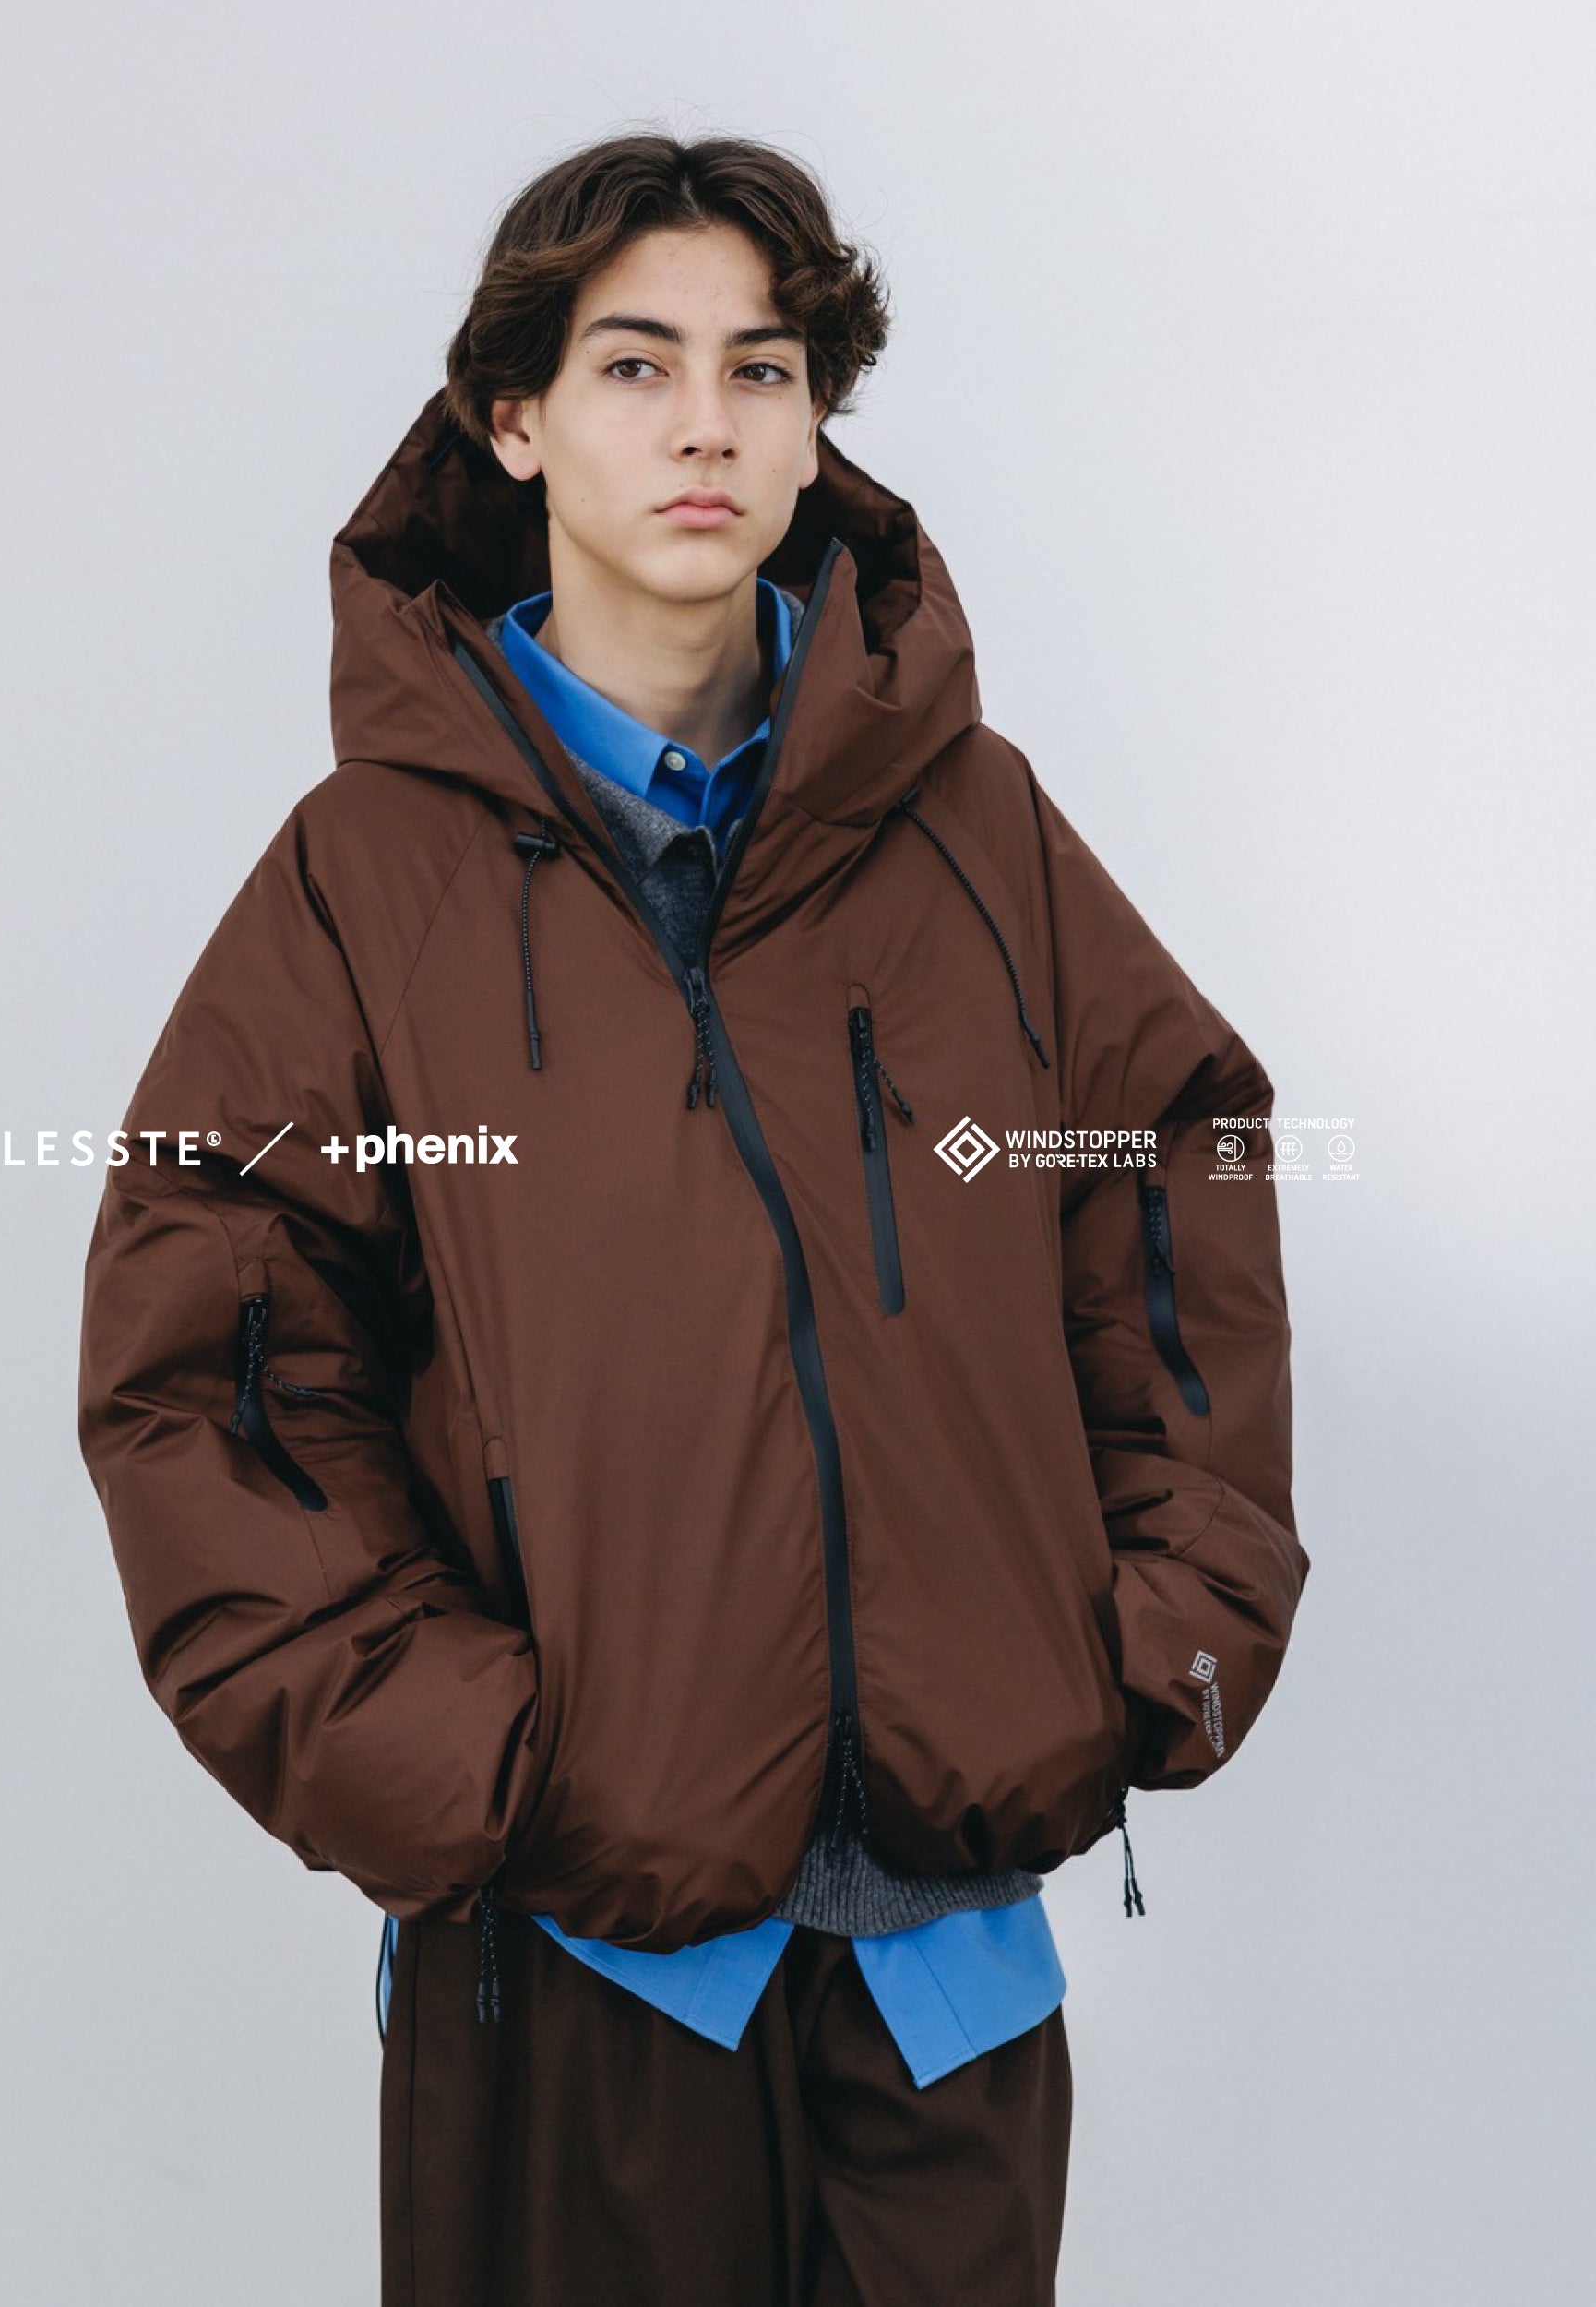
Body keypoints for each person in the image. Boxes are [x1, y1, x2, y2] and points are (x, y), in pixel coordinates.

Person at [77, 130, 1309, 2307]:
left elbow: (1164, 1174)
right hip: (575, 1961)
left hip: (949, 1976)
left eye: (761, 368)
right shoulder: (364, 881)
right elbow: (217, 1370)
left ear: (817, 423)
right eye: (634, 366)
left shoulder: (979, 835)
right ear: (513, 420)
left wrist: (1151, 1634)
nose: (707, 424)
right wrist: (466, 1759)